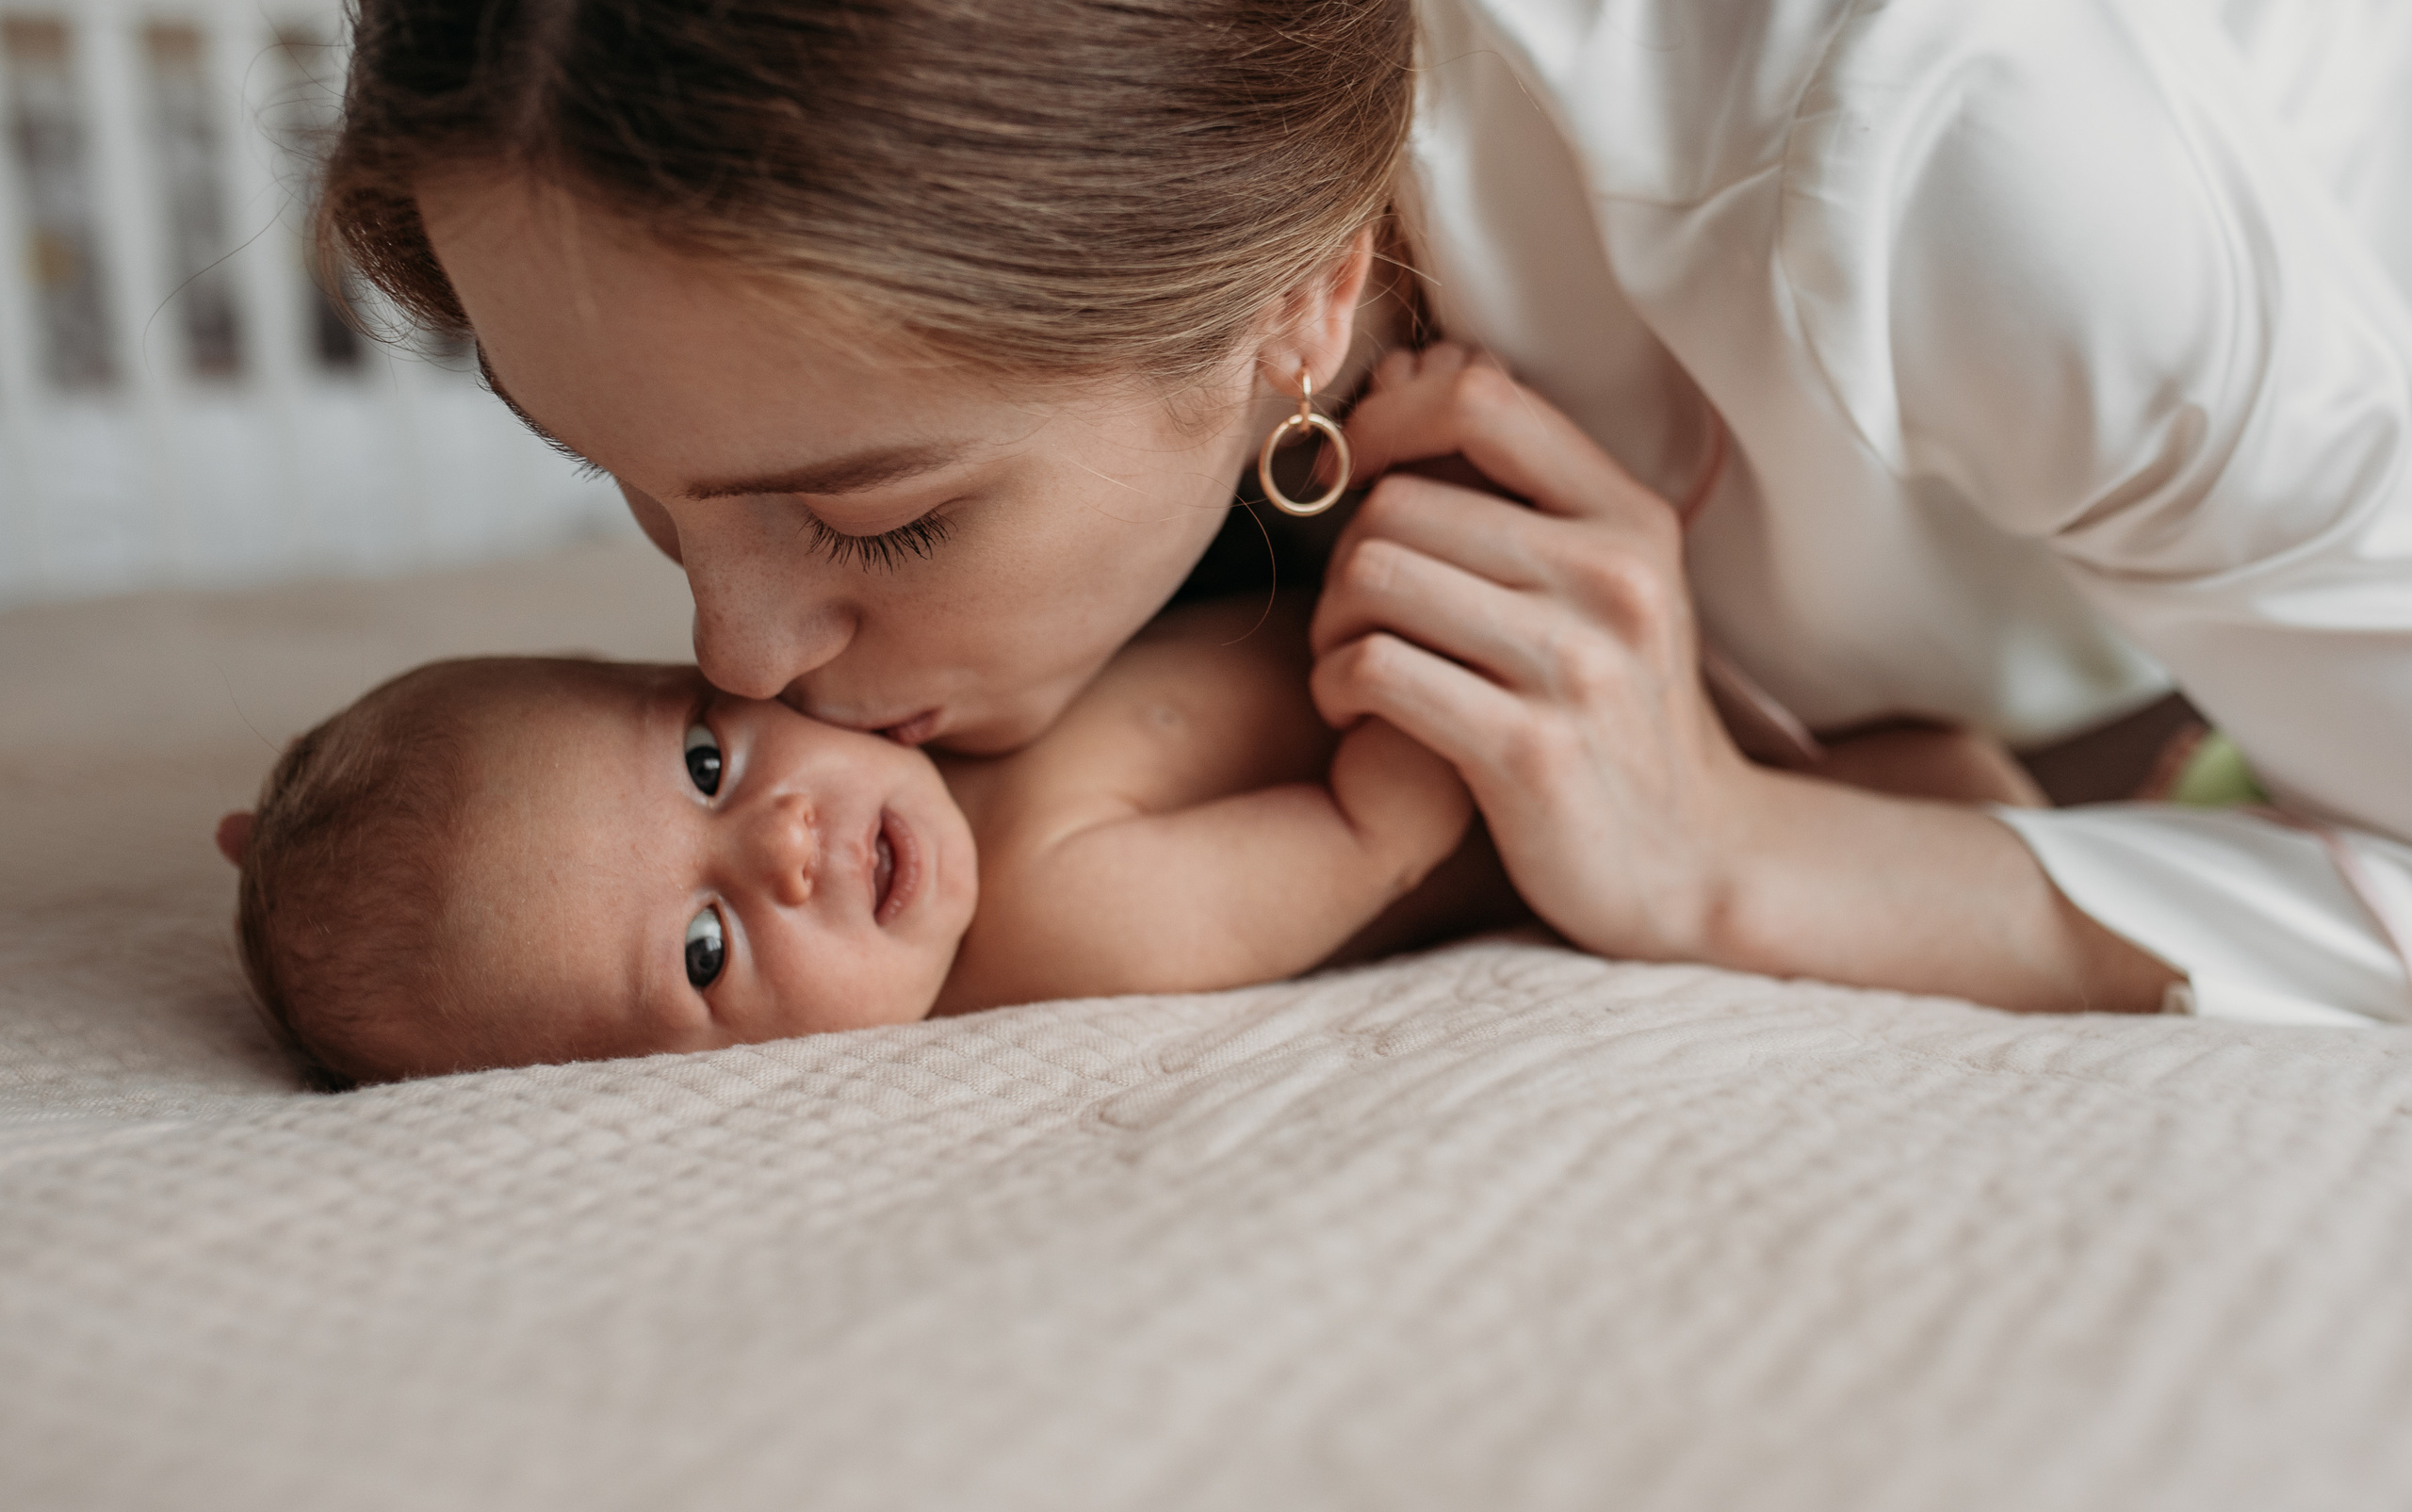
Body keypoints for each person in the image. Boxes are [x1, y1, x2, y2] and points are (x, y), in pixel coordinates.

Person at [318, 0, 2412, 1027]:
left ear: (1299, 307)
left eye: (880, 515)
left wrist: (1725, 852)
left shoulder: (1935, 123)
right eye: (623, 473)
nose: (742, 659)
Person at [216, 592, 2047, 1085]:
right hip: (1604, 755)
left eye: (701, 759)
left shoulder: (905, 731)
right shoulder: (1057, 919)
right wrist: (1403, 586)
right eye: (703, 954)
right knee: (1955, 778)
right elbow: (1369, 830)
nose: (779, 841)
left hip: (1645, 647)